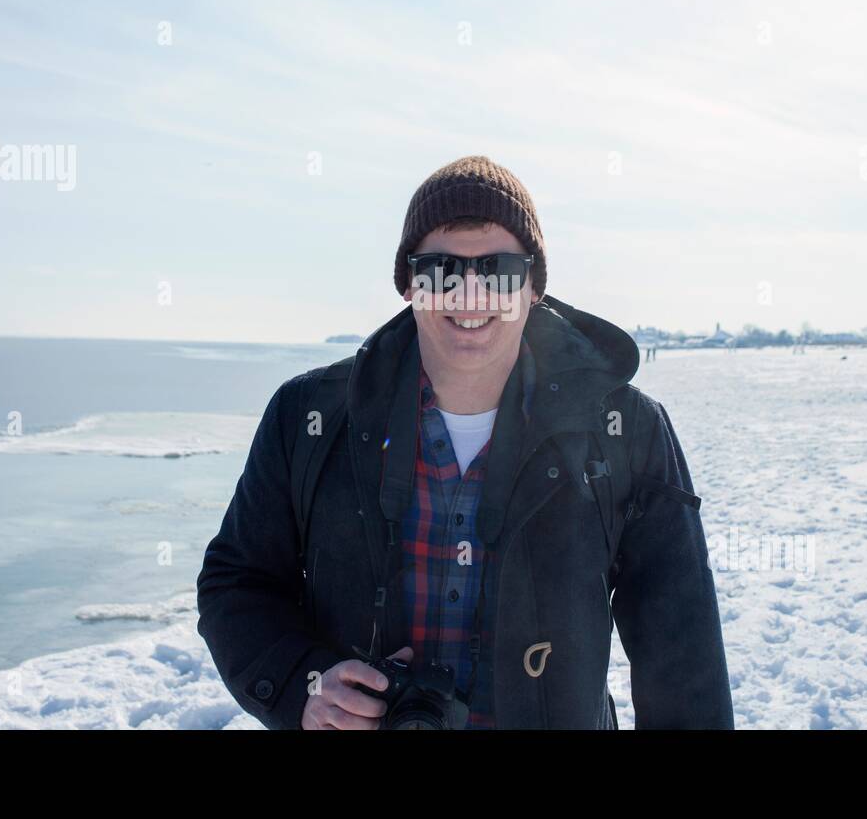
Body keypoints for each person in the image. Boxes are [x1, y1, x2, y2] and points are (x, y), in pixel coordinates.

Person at [196, 155, 734, 729]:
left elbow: (681, 650)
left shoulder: (626, 432)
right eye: (441, 270)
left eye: (499, 270)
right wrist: (302, 685)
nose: (470, 293)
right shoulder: (308, 417)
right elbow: (239, 581)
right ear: (408, 284)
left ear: (533, 288)